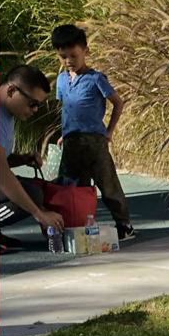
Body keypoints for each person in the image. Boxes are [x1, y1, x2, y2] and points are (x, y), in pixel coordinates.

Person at [50, 24, 135, 243]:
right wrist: (64, 132)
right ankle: (75, 224)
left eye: (73, 55)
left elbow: (118, 103)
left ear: (85, 51)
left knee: (107, 184)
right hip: (71, 141)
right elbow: (67, 108)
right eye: (63, 56)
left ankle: (124, 224)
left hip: (94, 141)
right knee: (70, 185)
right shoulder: (62, 80)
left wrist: (109, 131)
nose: (69, 60)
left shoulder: (96, 79)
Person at [0, 65, 66, 250]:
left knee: (33, 189)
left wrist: (22, 159)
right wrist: (40, 215)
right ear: (12, 90)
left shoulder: (4, 114)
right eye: (32, 103)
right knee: (31, 194)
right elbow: (2, 176)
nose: (35, 110)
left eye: (38, 105)